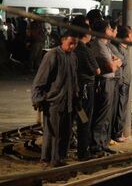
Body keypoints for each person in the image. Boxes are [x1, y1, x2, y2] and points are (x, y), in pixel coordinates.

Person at [31, 30, 79, 167]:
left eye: (75, 44)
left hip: (68, 102)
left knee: (65, 132)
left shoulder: (73, 57)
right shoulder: (52, 56)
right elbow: (40, 80)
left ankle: (60, 158)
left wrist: (76, 96)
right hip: (53, 102)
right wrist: (37, 99)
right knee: (51, 134)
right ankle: (47, 159)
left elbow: (74, 79)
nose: (72, 46)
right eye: (70, 43)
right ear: (62, 40)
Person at [89, 20, 122, 155]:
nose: (112, 31)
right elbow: (112, 66)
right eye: (109, 29)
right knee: (102, 114)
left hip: (110, 80)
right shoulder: (98, 45)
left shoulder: (105, 45)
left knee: (108, 115)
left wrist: (116, 61)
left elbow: (119, 60)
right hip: (104, 82)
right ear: (104, 30)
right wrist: (116, 62)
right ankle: (96, 145)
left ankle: (103, 143)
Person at [71, 21, 100, 160]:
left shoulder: (73, 48)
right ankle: (83, 152)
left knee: (75, 119)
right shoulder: (85, 50)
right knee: (84, 120)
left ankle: (73, 149)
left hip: (75, 88)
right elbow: (96, 70)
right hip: (86, 90)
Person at [111, 26, 132, 143]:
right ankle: (117, 133)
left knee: (122, 108)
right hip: (122, 82)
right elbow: (121, 62)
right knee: (120, 108)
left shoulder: (125, 48)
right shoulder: (118, 48)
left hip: (126, 81)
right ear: (128, 35)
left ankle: (118, 132)